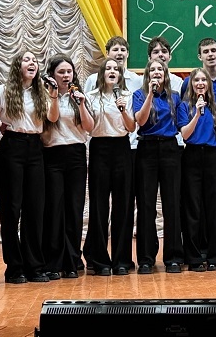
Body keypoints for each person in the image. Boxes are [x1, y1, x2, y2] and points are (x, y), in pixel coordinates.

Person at [0, 50, 55, 284]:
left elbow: (51, 118)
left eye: (34, 61)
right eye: (26, 60)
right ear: (17, 65)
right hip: (13, 146)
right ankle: (14, 267)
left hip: (35, 148)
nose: (32, 63)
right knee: (11, 208)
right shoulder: (3, 91)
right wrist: (3, 125)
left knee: (35, 208)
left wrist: (54, 95)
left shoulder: (42, 92)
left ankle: (34, 265)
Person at [182, 37, 216, 261]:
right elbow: (185, 126)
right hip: (196, 149)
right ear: (200, 56)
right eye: (206, 51)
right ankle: (199, 249)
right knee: (196, 203)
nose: (211, 54)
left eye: (214, 50)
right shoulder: (187, 90)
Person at [42, 54, 94, 279]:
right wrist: (54, 95)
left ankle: (72, 260)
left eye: (69, 72)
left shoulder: (79, 96)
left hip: (76, 155)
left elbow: (89, 127)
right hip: (52, 154)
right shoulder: (44, 96)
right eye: (61, 72)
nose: (65, 76)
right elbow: (51, 120)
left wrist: (81, 103)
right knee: (55, 210)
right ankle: (53, 261)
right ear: (52, 75)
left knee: (74, 209)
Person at [83, 57, 136, 275]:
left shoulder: (127, 96)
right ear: (102, 73)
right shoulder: (90, 96)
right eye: (108, 68)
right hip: (99, 148)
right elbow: (89, 128)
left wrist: (123, 110)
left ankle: (121, 259)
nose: (112, 71)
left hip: (121, 147)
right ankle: (99, 260)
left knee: (123, 205)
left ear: (120, 75)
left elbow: (131, 127)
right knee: (99, 205)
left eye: (116, 69)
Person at [133, 57, 183, 273]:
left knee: (172, 203)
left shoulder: (175, 96)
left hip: (170, 149)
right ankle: (146, 258)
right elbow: (141, 121)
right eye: (152, 69)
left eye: (160, 69)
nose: (156, 72)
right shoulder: (139, 95)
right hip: (147, 149)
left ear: (165, 74)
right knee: (146, 204)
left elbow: (180, 124)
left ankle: (173, 257)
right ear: (147, 75)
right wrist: (150, 95)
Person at [178, 68, 216, 271]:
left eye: (203, 80)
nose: (200, 83)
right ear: (191, 84)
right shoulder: (184, 106)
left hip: (213, 156)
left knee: (215, 207)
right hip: (192, 155)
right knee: (193, 208)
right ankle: (194, 257)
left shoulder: (215, 107)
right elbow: (185, 134)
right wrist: (197, 114)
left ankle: (215, 256)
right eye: (196, 80)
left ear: (208, 84)